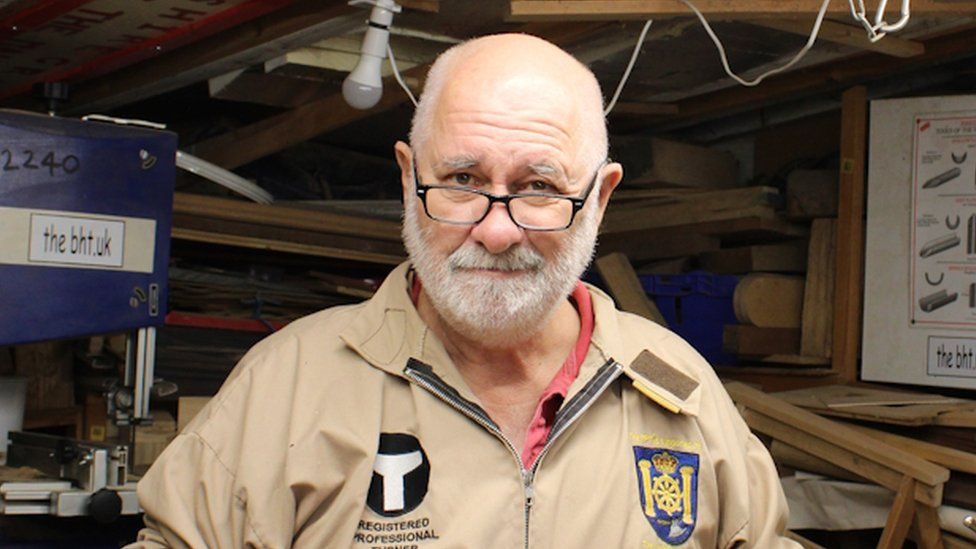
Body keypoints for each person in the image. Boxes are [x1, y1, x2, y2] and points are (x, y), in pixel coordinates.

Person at [130, 33, 799, 548]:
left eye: (539, 187)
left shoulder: (680, 389)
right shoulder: (288, 388)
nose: (497, 230)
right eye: (462, 179)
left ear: (599, 197)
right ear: (407, 176)